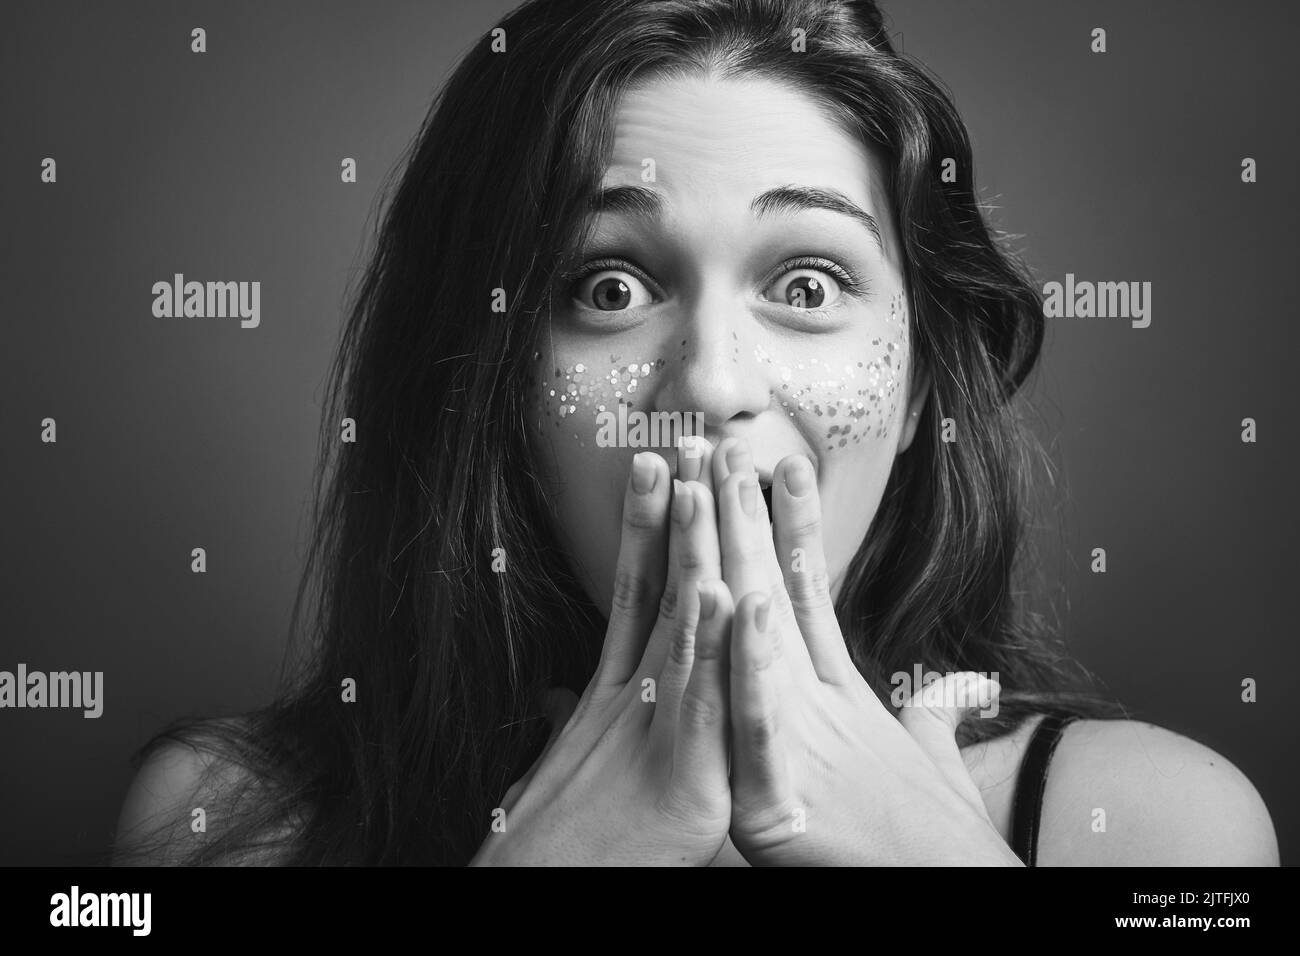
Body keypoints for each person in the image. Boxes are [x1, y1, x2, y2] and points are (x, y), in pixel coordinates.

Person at [113, 0, 1278, 866]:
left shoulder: (1155, 831)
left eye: (809, 284)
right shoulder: (219, 825)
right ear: (490, 380)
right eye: (610, 286)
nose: (713, 383)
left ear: (923, 382)